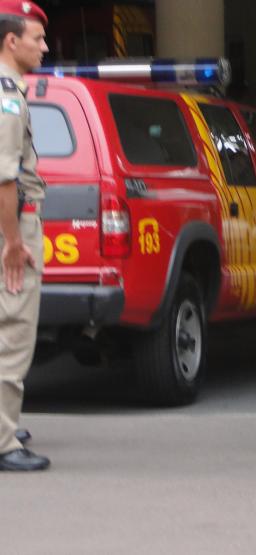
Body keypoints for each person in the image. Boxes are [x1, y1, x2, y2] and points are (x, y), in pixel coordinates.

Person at [0, 0, 50, 471]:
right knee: (13, 330)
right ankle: (3, 443)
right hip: (11, 227)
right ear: (11, 41)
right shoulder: (7, 95)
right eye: (37, 38)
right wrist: (14, 242)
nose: (44, 46)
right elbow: (5, 177)